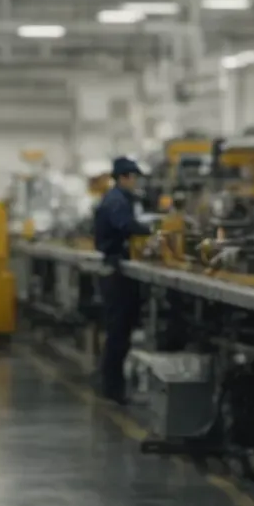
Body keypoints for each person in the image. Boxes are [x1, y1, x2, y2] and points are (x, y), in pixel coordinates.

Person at [92, 157, 154, 404]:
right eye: (134, 177)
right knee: (119, 332)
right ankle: (112, 389)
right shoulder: (117, 201)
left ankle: (111, 385)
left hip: (116, 267)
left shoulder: (119, 198)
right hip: (116, 272)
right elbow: (125, 225)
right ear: (125, 177)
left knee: (118, 331)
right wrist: (152, 229)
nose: (136, 182)